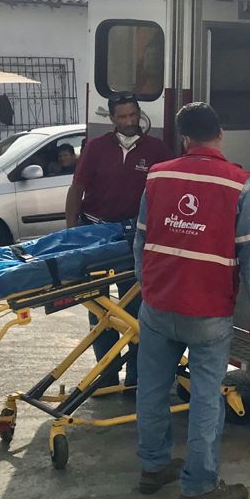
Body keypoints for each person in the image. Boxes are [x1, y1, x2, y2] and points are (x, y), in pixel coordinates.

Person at [133, 102, 250, 499]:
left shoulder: (158, 176)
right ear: (220, 134)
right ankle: (199, 486)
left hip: (158, 305)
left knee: (151, 390)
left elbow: (140, 239)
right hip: (208, 310)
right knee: (207, 397)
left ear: (185, 138)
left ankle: (154, 467)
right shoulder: (239, 184)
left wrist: (149, 286)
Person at [66, 92, 172, 388]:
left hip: (133, 238)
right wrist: (71, 230)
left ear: (139, 114)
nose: (129, 121)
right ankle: (107, 374)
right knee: (98, 307)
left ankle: (135, 377)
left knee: (134, 309)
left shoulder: (156, 150)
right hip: (95, 233)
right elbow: (77, 188)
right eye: (123, 117)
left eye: (133, 115)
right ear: (112, 118)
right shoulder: (96, 147)